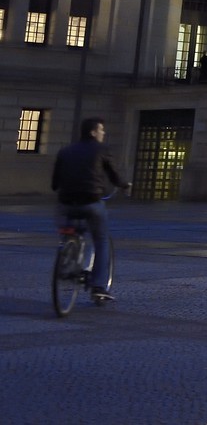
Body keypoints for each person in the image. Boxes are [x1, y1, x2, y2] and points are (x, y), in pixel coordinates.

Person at [51, 116, 130, 304]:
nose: (103, 133)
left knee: (69, 230)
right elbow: (113, 175)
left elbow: (54, 184)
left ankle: (67, 255)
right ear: (93, 132)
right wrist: (124, 185)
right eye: (101, 130)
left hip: (66, 203)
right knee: (101, 239)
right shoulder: (101, 150)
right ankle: (99, 286)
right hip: (91, 202)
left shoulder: (65, 151)